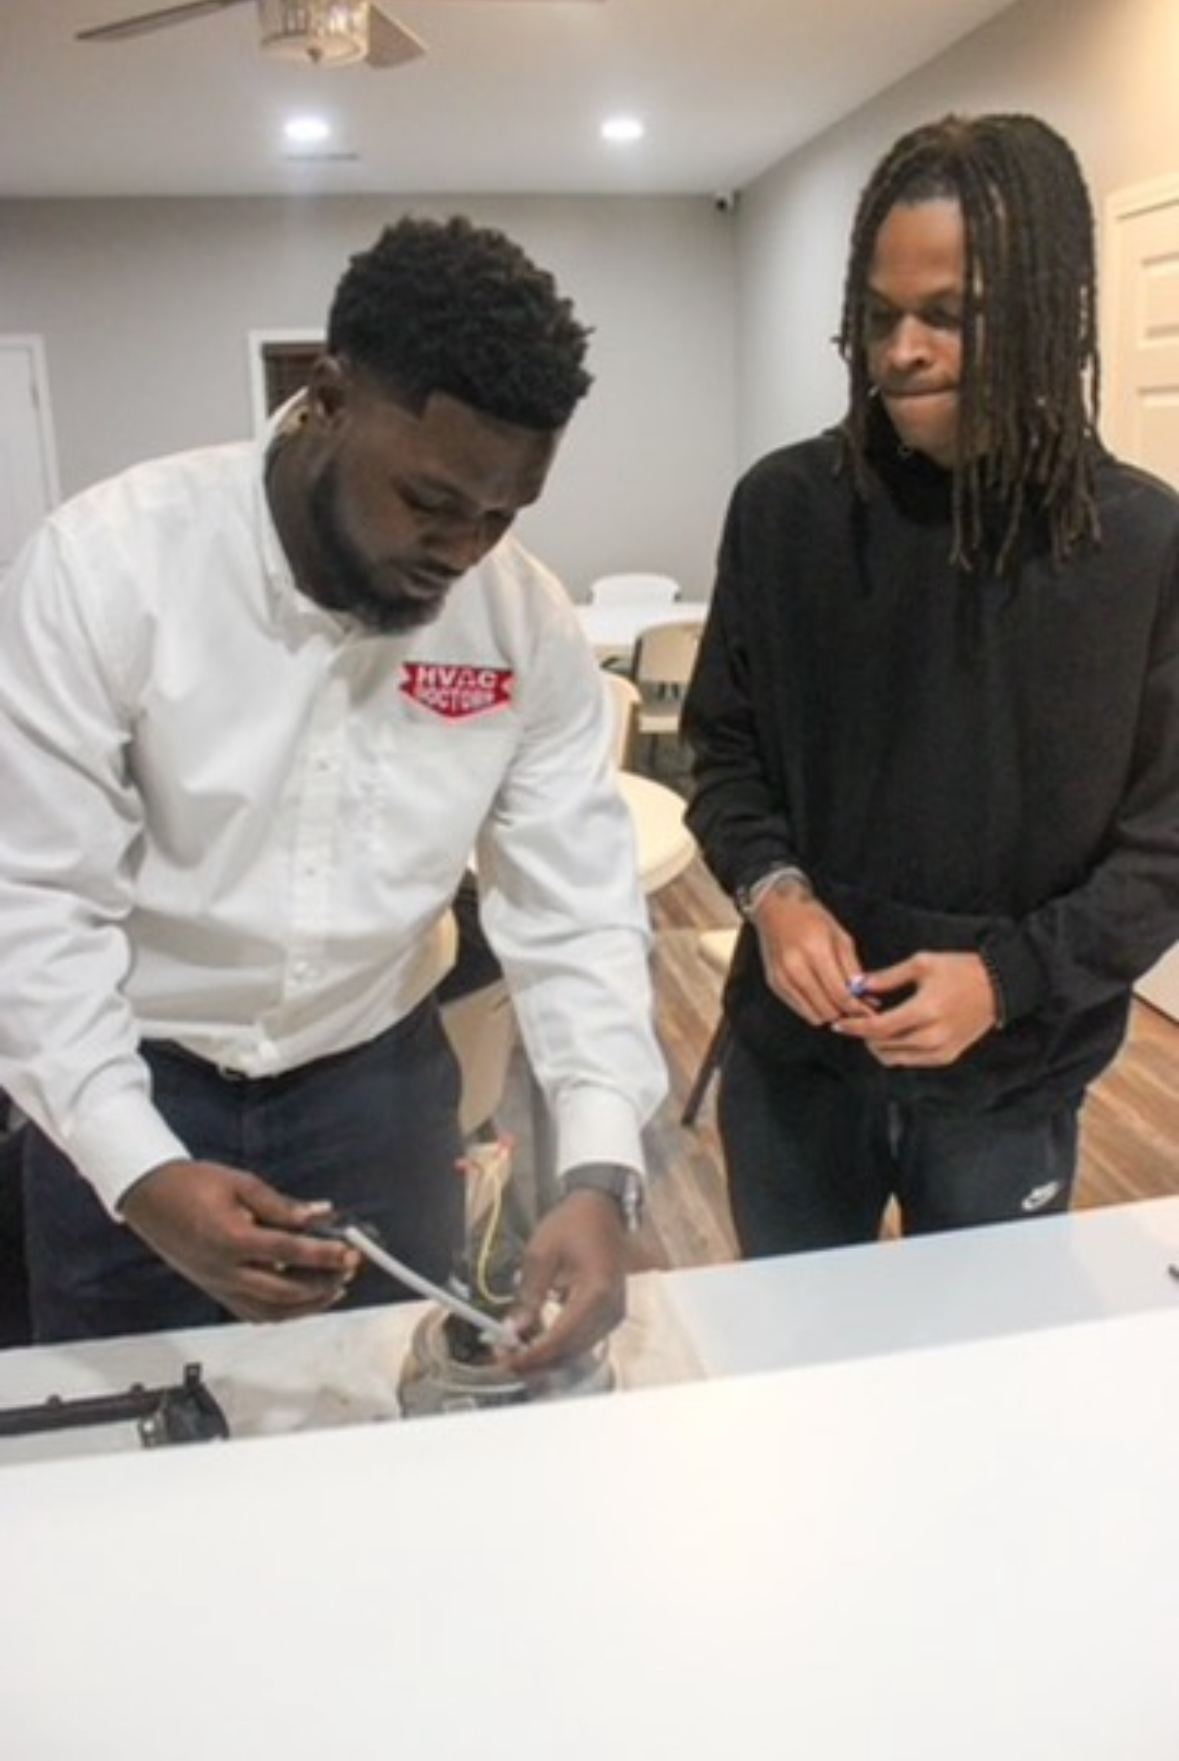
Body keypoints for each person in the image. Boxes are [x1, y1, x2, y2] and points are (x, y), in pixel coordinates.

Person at [0, 214, 665, 1357]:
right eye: (432, 502)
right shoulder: (110, 564)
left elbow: (574, 905)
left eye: (504, 514)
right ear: (328, 396)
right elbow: (32, 898)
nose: (465, 550)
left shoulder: (523, 621)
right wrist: (135, 1163)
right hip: (131, 1069)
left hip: (378, 1085)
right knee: (115, 1443)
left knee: (371, 1419)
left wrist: (602, 1167)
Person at [682, 113, 1179, 1256]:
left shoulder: (1143, 545)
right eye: (878, 316)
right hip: (796, 1068)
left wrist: (1006, 980)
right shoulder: (784, 511)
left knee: (983, 1390)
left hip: (1012, 1080)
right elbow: (724, 752)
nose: (900, 349)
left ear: (1048, 318)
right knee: (796, 1370)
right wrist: (774, 891)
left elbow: (1164, 846)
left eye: (949, 317)